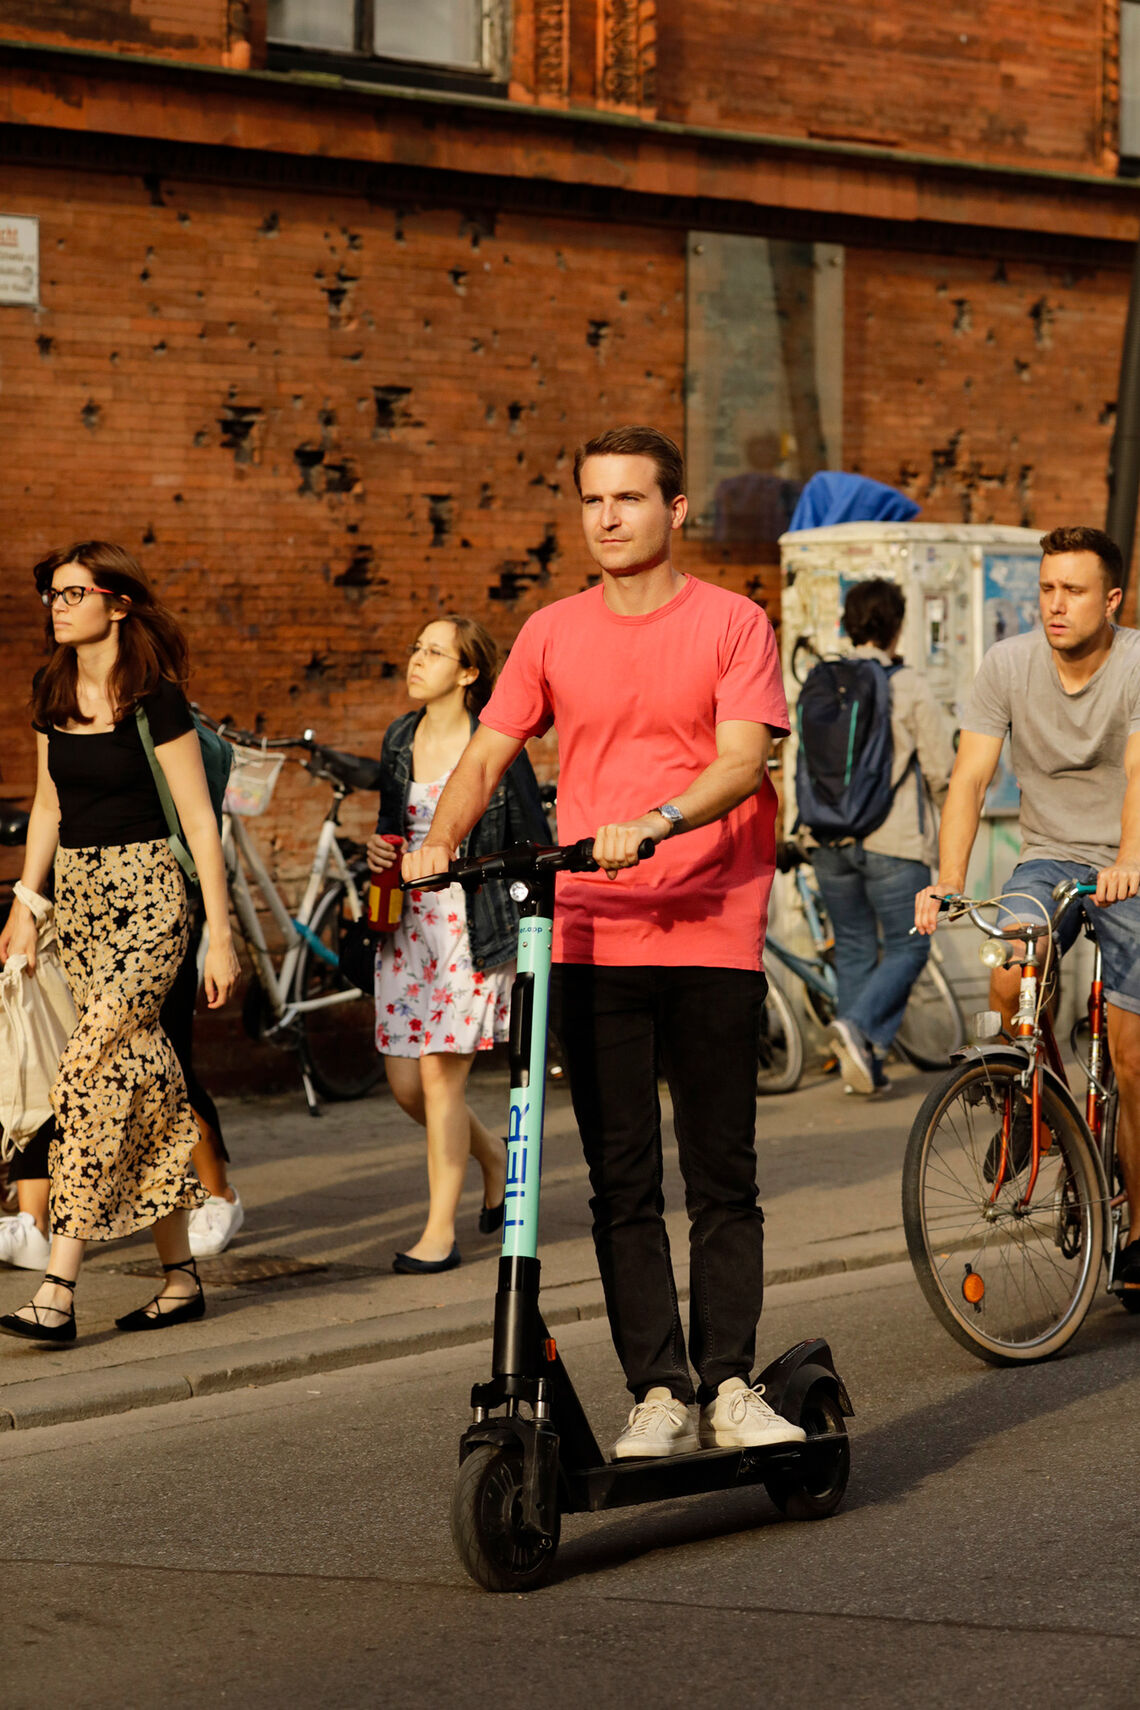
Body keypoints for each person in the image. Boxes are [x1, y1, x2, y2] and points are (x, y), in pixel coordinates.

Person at [404, 424, 806, 1459]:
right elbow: (491, 749)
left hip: (710, 927)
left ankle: (729, 1384)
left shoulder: (732, 623)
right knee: (620, 1180)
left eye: (631, 499)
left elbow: (743, 764)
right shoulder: (551, 633)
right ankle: (660, 1390)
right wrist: (438, 840)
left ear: (675, 510)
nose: (610, 518)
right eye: (594, 501)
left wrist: (660, 822)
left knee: (721, 1172)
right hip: (591, 938)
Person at [0, 542, 239, 1342]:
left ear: (118, 604)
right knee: (148, 1082)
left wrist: (221, 935)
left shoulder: (155, 699)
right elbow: (45, 808)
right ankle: (181, 1277)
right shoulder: (53, 687)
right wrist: (26, 905)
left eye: (73, 593)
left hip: (150, 901)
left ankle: (59, 1289)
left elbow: (200, 822)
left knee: (87, 1071)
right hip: (80, 900)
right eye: (53, 595)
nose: (58, 606)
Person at [914, 525, 1140, 1289]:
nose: (1054, 604)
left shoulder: (1138, 663)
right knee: (1009, 968)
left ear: (1111, 599)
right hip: (1048, 857)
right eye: (1046, 588)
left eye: (1072, 591)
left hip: (1132, 865)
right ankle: (1034, 1103)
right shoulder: (1007, 664)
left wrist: (1129, 861)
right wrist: (948, 879)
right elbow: (970, 779)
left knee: (1133, 1054)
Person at [367, 615, 549, 1275]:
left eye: (434, 652)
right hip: (406, 926)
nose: (417, 660)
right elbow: (392, 826)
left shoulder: (494, 744)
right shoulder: (398, 738)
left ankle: (438, 1232)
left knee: (442, 1077)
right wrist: (378, 846)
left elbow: (531, 839)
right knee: (408, 1086)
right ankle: (493, 1159)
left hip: (473, 929)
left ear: (468, 673)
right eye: (416, 647)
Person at [0, 901, 243, 1270]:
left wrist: (221, 941)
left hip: (150, 909)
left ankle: (217, 1197)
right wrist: (26, 903)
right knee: (50, 1061)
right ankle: (36, 1225)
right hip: (74, 906)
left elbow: (204, 842)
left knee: (165, 1062)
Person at [810, 578, 955, 1095]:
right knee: (911, 944)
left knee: (851, 948)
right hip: (892, 841)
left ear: (849, 622)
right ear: (897, 624)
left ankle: (861, 1067)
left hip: (826, 839)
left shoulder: (822, 679)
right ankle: (861, 1028)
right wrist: (954, 830)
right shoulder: (907, 683)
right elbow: (942, 770)